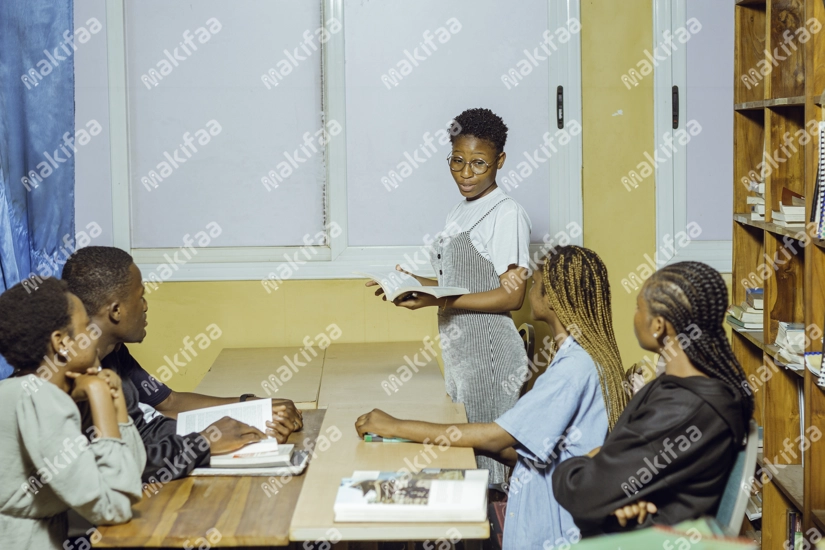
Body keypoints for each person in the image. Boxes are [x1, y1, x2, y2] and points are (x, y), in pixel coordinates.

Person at [357, 246, 629, 548]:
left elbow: (498, 437)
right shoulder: (581, 357)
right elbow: (527, 450)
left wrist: (396, 427)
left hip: (548, 530)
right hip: (543, 516)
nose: (529, 291)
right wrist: (467, 443)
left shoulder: (575, 368)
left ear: (552, 298)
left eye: (535, 284)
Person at [368, 108, 533, 485]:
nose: (466, 173)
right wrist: (414, 283)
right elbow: (460, 281)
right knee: (468, 459)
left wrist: (437, 300)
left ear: (500, 161)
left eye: (478, 163)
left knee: (488, 465)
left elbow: (513, 296)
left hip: (490, 356)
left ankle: (500, 539)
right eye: (457, 161)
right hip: (463, 353)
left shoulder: (506, 214)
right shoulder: (460, 211)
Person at [61, 246, 303, 481]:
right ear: (116, 311)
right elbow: (123, 461)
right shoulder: (74, 381)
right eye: (140, 297)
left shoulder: (113, 352)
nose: (145, 306)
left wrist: (252, 412)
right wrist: (205, 441)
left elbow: (165, 404)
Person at [552, 261, 754, 536]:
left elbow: (582, 492)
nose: (635, 315)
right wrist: (613, 487)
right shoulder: (677, 390)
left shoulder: (684, 410)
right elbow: (604, 484)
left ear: (659, 325)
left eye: (638, 307)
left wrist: (590, 463)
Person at [0, 278, 144, 550]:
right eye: (87, 328)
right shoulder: (40, 399)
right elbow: (114, 507)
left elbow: (130, 481)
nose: (95, 335)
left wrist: (115, 405)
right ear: (62, 342)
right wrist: (100, 397)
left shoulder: (29, 391)